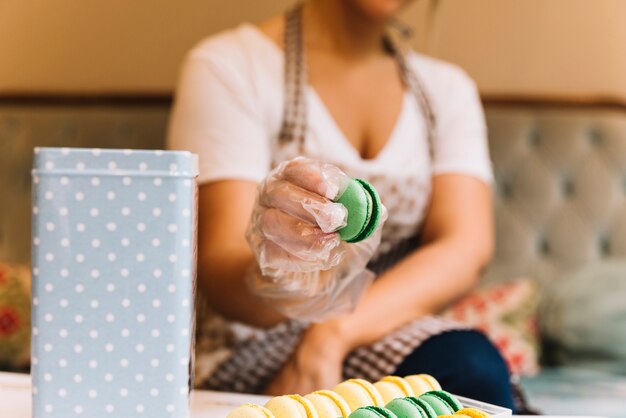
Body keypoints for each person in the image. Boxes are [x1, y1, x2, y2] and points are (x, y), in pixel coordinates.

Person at [167, 0, 517, 410]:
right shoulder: (230, 66)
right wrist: (282, 269)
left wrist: (333, 333)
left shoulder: (446, 90)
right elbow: (218, 268)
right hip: (255, 339)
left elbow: (464, 248)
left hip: (384, 320)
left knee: (468, 369)